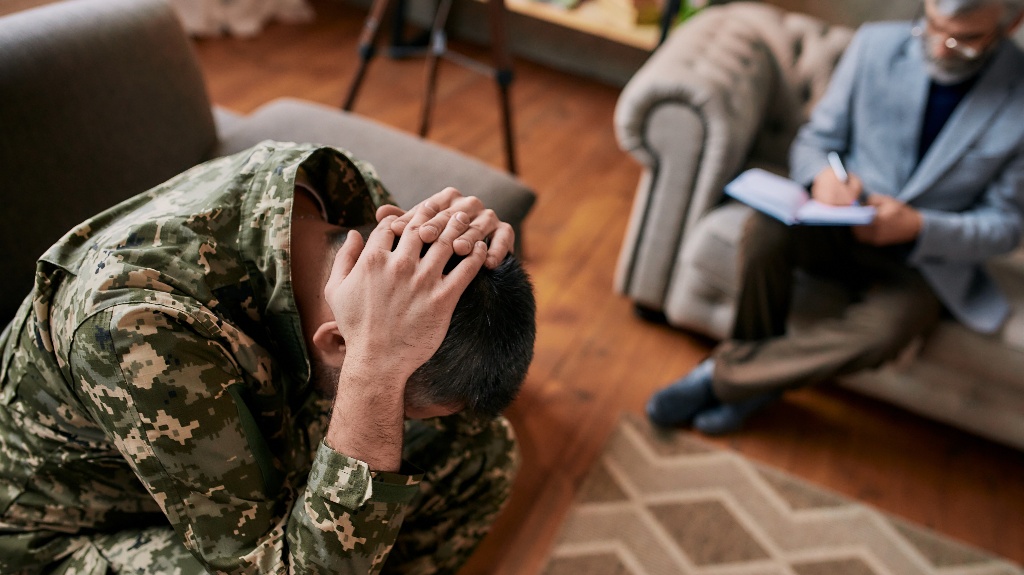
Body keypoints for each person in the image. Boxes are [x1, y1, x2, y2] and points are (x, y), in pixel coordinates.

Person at [0, 141, 537, 574]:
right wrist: (374, 377)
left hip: (221, 441)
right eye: (402, 410)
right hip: (68, 531)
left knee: (482, 452)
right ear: (339, 344)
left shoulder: (353, 213)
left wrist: (462, 256)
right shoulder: (136, 333)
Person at [647, 0, 1024, 435]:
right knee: (765, 231)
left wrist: (919, 226)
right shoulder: (874, 46)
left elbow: (1005, 226)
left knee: (891, 328)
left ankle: (725, 379)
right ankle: (751, 386)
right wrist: (825, 176)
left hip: (926, 262)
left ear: (1010, 23)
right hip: (838, 225)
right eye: (933, 28)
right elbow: (816, 142)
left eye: (964, 40)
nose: (941, 49)